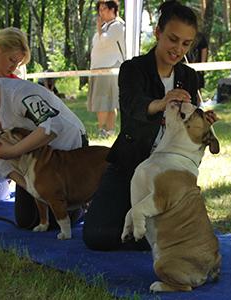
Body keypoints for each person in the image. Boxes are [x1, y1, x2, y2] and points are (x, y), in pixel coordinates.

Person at [83, 0, 217, 251]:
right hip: (129, 163)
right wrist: (161, 103)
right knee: (96, 236)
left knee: (153, 224)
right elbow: (134, 108)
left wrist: (201, 121)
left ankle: (149, 230)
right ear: (157, 33)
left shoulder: (188, 76)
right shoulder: (132, 69)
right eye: (173, 39)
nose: (178, 49)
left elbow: (188, 121)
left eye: (186, 44)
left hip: (169, 170)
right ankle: (150, 233)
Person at [0, 77, 88, 228]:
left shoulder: (19, 93)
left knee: (58, 218)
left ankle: (82, 203)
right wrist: (28, 186)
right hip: (32, 160)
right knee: (28, 222)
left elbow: (54, 125)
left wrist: (13, 151)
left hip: (67, 148)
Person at [0, 27, 30, 202]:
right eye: (11, 60)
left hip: (2, 165)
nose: (13, 68)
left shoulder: (16, 86)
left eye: (18, 64)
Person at [87, 0, 125, 138]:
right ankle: (106, 131)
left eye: (104, 9)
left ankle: (105, 130)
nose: (101, 12)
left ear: (112, 10)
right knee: (105, 101)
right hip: (99, 67)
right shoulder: (105, 26)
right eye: (100, 9)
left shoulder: (117, 25)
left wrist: (99, 28)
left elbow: (105, 41)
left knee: (105, 101)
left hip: (109, 67)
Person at [185, 31, 208, 98]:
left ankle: (197, 105)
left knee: (198, 87)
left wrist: (202, 65)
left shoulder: (200, 37)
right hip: (184, 65)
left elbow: (204, 49)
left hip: (197, 67)